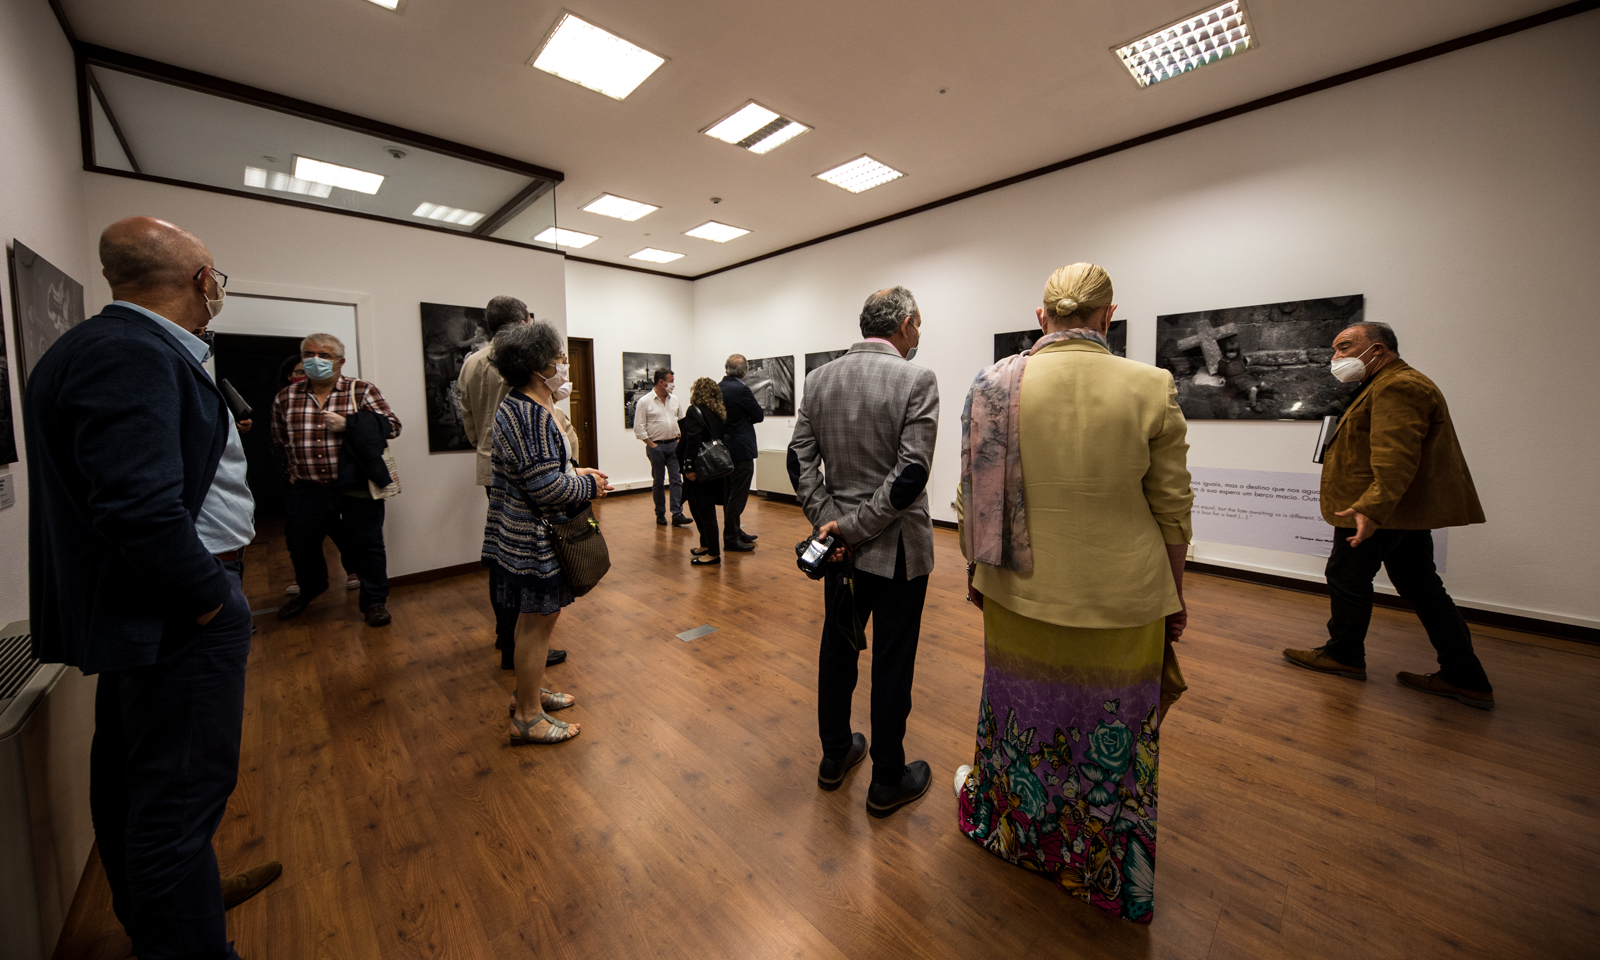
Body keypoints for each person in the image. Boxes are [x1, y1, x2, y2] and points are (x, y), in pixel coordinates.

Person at [24, 217, 280, 959]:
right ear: (203, 280)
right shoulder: (129, 354)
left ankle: (171, 906)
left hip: (156, 606)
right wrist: (212, 599)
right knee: (177, 800)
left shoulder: (110, 347)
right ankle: (186, 931)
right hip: (175, 607)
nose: (219, 288)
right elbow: (135, 508)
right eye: (217, 276)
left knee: (133, 776)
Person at [953, 262, 1192, 923]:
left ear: (1041, 317)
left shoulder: (992, 384)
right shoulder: (1149, 385)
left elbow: (970, 496)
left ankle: (1014, 836)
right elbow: (1172, 508)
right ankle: (1106, 871)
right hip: (1124, 596)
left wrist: (977, 572)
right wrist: (1175, 594)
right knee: (1109, 741)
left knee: (1020, 727)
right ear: (1108, 316)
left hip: (1015, 592)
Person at [1283, 322, 1492, 707]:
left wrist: (1371, 507)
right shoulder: (1388, 383)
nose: (1337, 358)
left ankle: (1343, 656)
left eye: (1345, 347)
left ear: (1377, 349)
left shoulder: (1399, 385)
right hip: (1399, 511)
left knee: (1348, 576)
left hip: (1375, 510)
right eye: (1335, 350)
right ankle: (1465, 675)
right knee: (1421, 586)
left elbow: (1396, 456)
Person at [788, 286, 939, 819]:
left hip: (838, 553)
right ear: (903, 324)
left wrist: (830, 523)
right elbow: (911, 475)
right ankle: (887, 779)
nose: (919, 333)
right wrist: (853, 527)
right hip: (895, 552)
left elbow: (797, 459)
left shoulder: (818, 378)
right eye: (918, 324)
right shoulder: (916, 378)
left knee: (839, 648)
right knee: (893, 664)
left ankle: (835, 756)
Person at [482, 321, 613, 744]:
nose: (561, 366)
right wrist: (591, 485)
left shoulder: (516, 404)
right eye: (558, 359)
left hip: (516, 534)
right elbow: (548, 488)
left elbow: (543, 472)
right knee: (539, 621)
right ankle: (528, 716)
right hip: (533, 540)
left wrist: (577, 471)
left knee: (530, 620)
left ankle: (527, 692)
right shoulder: (532, 414)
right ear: (539, 367)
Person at [458, 296, 569, 671]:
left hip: (494, 464)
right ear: (524, 322)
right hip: (529, 468)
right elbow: (547, 475)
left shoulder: (471, 362)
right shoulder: (521, 372)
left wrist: (484, 447)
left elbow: (468, 417)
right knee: (532, 559)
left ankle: (508, 638)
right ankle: (523, 645)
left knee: (507, 556)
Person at [271, 332, 402, 625]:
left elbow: (392, 427)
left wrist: (350, 425)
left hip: (356, 485)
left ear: (341, 361)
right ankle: (311, 587)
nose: (314, 361)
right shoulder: (286, 397)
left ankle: (374, 602)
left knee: (367, 545)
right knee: (301, 544)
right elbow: (279, 440)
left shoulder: (361, 390)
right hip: (307, 487)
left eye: (324, 355)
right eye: (308, 355)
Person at [678, 377, 730, 567]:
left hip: (700, 468)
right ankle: (705, 544)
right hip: (713, 466)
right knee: (700, 506)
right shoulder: (717, 412)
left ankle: (713, 553)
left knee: (704, 509)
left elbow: (693, 439)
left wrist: (688, 467)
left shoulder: (694, 410)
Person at [718, 354, 765, 552]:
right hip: (741, 449)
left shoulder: (718, 387)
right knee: (738, 496)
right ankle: (731, 538)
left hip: (723, 449)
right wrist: (745, 417)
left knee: (730, 493)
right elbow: (758, 415)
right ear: (744, 371)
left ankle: (735, 531)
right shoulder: (741, 389)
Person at [633, 367, 690, 527]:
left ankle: (677, 513)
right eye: (671, 381)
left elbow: (681, 421)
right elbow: (639, 428)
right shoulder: (645, 401)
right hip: (656, 447)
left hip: (674, 445)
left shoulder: (675, 400)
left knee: (676, 480)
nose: (673, 384)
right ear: (661, 382)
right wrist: (652, 445)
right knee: (658, 481)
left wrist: (679, 441)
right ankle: (660, 513)